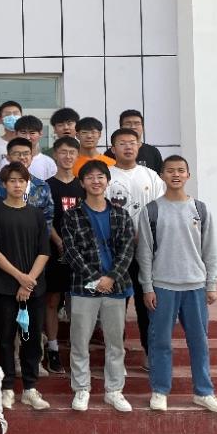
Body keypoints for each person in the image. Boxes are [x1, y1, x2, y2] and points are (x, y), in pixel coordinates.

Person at [138, 155, 217, 413]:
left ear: (188, 175)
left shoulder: (199, 209)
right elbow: (144, 253)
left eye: (180, 170)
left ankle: (204, 392)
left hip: (195, 286)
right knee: (160, 342)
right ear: (162, 176)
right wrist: (147, 287)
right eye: (170, 170)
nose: (175, 175)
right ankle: (159, 390)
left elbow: (210, 249)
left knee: (199, 342)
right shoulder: (151, 210)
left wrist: (211, 284)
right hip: (163, 286)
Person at [61, 160, 135, 413]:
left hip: (116, 286)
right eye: (90, 177)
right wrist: (96, 279)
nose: (96, 181)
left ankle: (114, 391)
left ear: (107, 181)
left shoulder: (120, 214)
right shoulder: (72, 215)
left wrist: (110, 278)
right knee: (79, 341)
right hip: (83, 287)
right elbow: (71, 251)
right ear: (82, 183)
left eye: (100, 177)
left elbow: (127, 249)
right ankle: (82, 389)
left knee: (115, 343)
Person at [0, 162, 51, 411]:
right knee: (6, 339)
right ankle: (7, 387)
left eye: (21, 181)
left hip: (34, 288)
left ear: (27, 184)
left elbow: (44, 251)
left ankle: (30, 388)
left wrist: (28, 281)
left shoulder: (36, 214)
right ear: (4, 184)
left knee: (31, 338)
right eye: (12, 180)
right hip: (4, 287)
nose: (17, 185)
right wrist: (19, 277)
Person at [107, 128, 166, 361]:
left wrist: (148, 235)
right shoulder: (106, 176)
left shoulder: (151, 176)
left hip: (147, 251)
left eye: (132, 142)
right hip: (116, 251)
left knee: (147, 302)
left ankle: (150, 352)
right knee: (116, 304)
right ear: (113, 149)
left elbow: (162, 210)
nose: (128, 147)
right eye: (122, 143)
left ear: (139, 146)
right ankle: (115, 355)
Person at [42, 135, 84, 374]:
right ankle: (53, 348)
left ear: (77, 156)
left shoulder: (83, 185)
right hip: (54, 251)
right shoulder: (46, 186)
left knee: (78, 302)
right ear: (55, 155)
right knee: (52, 300)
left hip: (81, 254)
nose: (67, 157)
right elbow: (45, 219)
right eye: (63, 152)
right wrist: (59, 242)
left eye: (72, 152)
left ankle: (79, 350)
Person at [0, 138, 54, 229]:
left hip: (33, 236)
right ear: (8, 157)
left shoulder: (42, 186)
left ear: (31, 157)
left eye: (26, 153)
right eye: (17, 154)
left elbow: (48, 219)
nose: (22, 157)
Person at [14, 115, 58, 181]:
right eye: (23, 132)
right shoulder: (8, 161)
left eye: (32, 133)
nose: (27, 137)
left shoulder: (48, 162)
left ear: (40, 134)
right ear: (16, 133)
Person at [0, 101, 23, 170]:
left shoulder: (28, 142)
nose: (12, 117)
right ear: (0, 120)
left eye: (15, 113)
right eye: (7, 114)